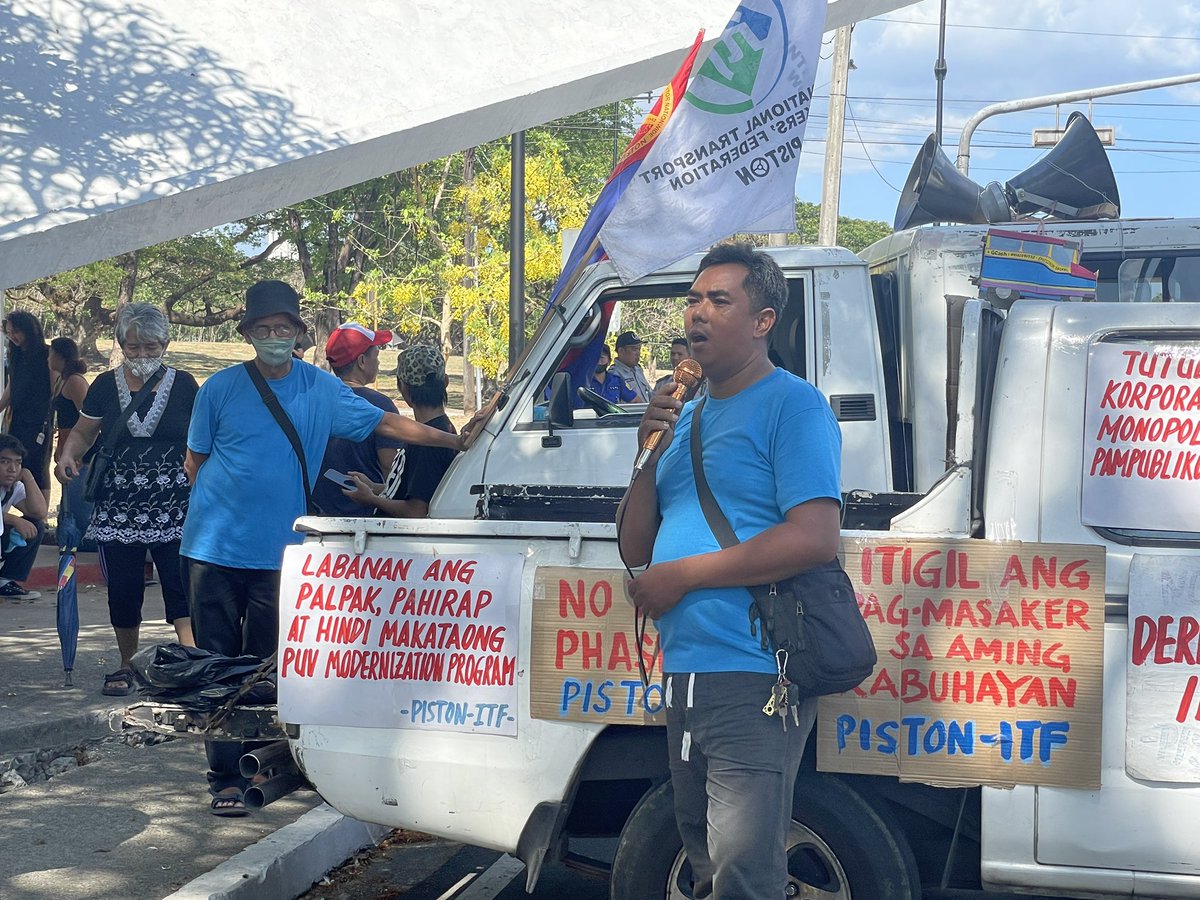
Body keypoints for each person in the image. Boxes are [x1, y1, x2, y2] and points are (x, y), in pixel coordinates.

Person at [182, 280, 469, 816]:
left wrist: (453, 440)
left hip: (280, 550)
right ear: (247, 334)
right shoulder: (217, 389)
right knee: (216, 663)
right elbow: (194, 460)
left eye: (282, 329)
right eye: (263, 330)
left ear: (297, 333)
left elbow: (387, 422)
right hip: (214, 547)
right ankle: (222, 774)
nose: (273, 338)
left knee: (266, 664)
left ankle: (261, 760)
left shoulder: (321, 389)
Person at [616, 243, 842, 899]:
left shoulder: (793, 406)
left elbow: (815, 537)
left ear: (763, 320)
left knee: (746, 870)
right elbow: (635, 545)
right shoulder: (682, 415)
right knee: (706, 858)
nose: (699, 314)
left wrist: (683, 576)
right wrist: (646, 451)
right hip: (688, 669)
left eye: (720, 300)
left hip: (754, 671)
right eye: (692, 299)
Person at [55, 304, 199, 697]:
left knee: (179, 584)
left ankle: (193, 661)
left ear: (165, 344)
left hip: (176, 505)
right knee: (124, 587)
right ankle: (127, 664)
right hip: (119, 505)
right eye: (133, 347)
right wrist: (69, 455)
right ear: (121, 345)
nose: (141, 356)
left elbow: (203, 440)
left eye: (150, 347)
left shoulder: (185, 385)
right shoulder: (104, 385)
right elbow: (84, 433)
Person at [343, 345, 457, 517]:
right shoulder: (444, 431)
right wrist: (373, 487)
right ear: (446, 382)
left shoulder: (427, 441)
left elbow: (416, 510)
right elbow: (412, 489)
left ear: (402, 386)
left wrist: (371, 499)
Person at [312, 323, 401, 516]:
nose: (378, 363)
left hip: (317, 514)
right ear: (361, 361)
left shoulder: (314, 401)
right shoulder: (380, 405)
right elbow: (390, 465)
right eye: (376, 356)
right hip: (365, 517)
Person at [0, 311, 52, 499]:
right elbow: (11, 388)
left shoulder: (46, 354)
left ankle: (40, 513)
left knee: (37, 464)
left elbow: (54, 387)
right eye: (9, 332)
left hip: (38, 419)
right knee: (13, 459)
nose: (12, 337)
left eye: (16, 332)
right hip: (16, 417)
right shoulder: (15, 355)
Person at [0, 434, 48, 599]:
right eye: (5, 462)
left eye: (18, 463)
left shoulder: (14, 486)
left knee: (36, 525)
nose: (12, 469)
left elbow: (39, 512)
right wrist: (13, 519)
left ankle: (4, 581)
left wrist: (27, 476)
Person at [610, 331, 652, 401]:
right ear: (621, 351)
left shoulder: (638, 370)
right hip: (630, 411)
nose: (638, 353)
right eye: (634, 349)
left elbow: (650, 394)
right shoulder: (614, 374)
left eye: (639, 349)